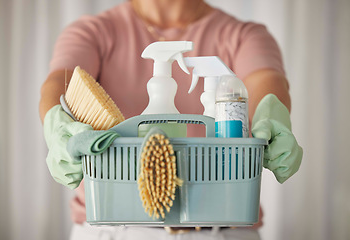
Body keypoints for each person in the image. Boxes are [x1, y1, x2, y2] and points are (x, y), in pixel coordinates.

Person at [39, 0, 302, 239]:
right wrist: (58, 124)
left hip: (224, 226)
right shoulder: (94, 31)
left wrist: (271, 116)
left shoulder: (244, 35)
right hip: (111, 227)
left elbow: (265, 85)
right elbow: (61, 82)